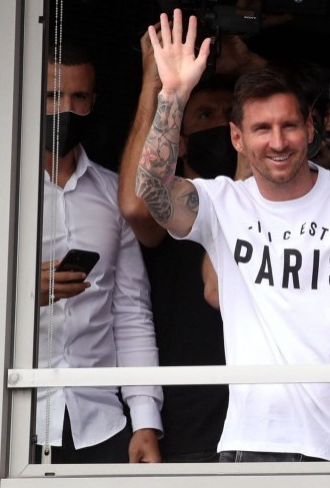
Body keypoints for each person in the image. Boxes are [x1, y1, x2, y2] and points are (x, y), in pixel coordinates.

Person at [135, 11, 330, 462]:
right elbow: (151, 192)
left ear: (310, 128)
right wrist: (172, 95)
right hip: (252, 446)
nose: (278, 141)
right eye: (261, 129)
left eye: (288, 125)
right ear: (236, 138)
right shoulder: (221, 202)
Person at [0, 43, 163, 476]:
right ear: (29, 98)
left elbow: (131, 314)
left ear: (94, 102)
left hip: (99, 423)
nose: (66, 109)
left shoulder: (112, 192)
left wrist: (145, 419)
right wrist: (18, 292)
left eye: (79, 97)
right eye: (52, 96)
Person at [118, 29, 246, 463]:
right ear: (181, 136)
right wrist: (155, 85)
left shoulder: (264, 200)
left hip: (261, 422)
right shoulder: (173, 207)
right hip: (188, 418)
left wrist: (249, 65)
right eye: (205, 114)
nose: (219, 125)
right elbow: (135, 205)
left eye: (229, 115)